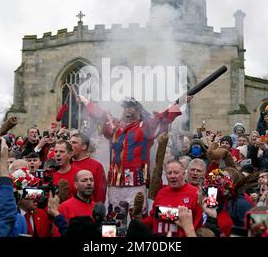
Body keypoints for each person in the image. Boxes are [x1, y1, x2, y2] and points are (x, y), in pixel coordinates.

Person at [78, 94, 193, 225]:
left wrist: (180, 103)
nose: (128, 110)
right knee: (113, 221)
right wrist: (85, 101)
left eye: (131, 107)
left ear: (139, 111)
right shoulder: (114, 127)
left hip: (137, 184)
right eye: (125, 107)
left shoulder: (145, 127)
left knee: (138, 222)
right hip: (115, 184)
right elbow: (101, 115)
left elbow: (162, 118)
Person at [141, 160, 203, 237]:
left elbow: (199, 221)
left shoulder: (195, 193)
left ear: (184, 173)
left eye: (176, 173)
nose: (172, 176)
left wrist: (165, 213)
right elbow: (152, 217)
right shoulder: (161, 193)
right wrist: (139, 224)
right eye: (169, 173)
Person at [70, 133, 107, 204]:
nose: (70, 145)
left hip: (89, 209)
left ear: (84, 147)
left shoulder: (96, 166)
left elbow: (100, 192)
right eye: (70, 142)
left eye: (74, 143)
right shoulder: (67, 164)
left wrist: (98, 209)